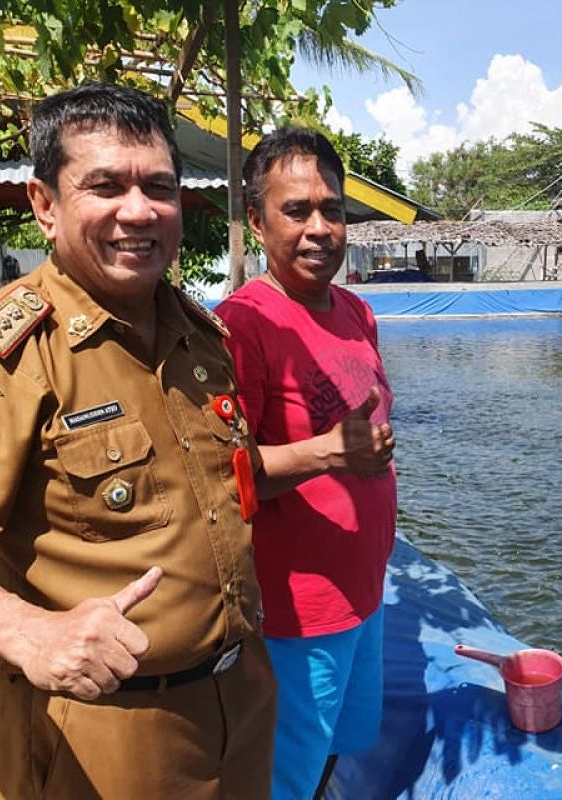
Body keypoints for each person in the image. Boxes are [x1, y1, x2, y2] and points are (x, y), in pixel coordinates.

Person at [0, 82, 275, 799]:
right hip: (104, 734)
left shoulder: (202, 339)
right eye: (105, 186)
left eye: (158, 186)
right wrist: (27, 632)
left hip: (241, 705)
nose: (138, 210)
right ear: (44, 205)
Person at [215, 127, 396, 800]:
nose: (321, 228)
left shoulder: (358, 311)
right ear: (258, 222)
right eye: (297, 211)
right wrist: (328, 453)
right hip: (296, 614)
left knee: (335, 751)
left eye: (333, 209)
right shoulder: (242, 325)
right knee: (282, 771)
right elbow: (219, 473)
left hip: (365, 594)